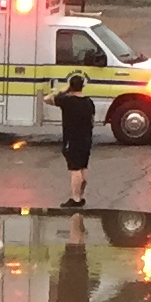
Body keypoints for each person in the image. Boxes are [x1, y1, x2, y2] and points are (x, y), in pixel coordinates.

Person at [51, 70, 97, 208]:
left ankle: (75, 198)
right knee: (83, 168)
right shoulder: (89, 102)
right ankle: (81, 196)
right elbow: (92, 121)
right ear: (82, 87)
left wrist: (63, 90)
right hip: (86, 139)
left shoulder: (67, 101)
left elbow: (47, 99)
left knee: (75, 169)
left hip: (72, 139)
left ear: (71, 86)